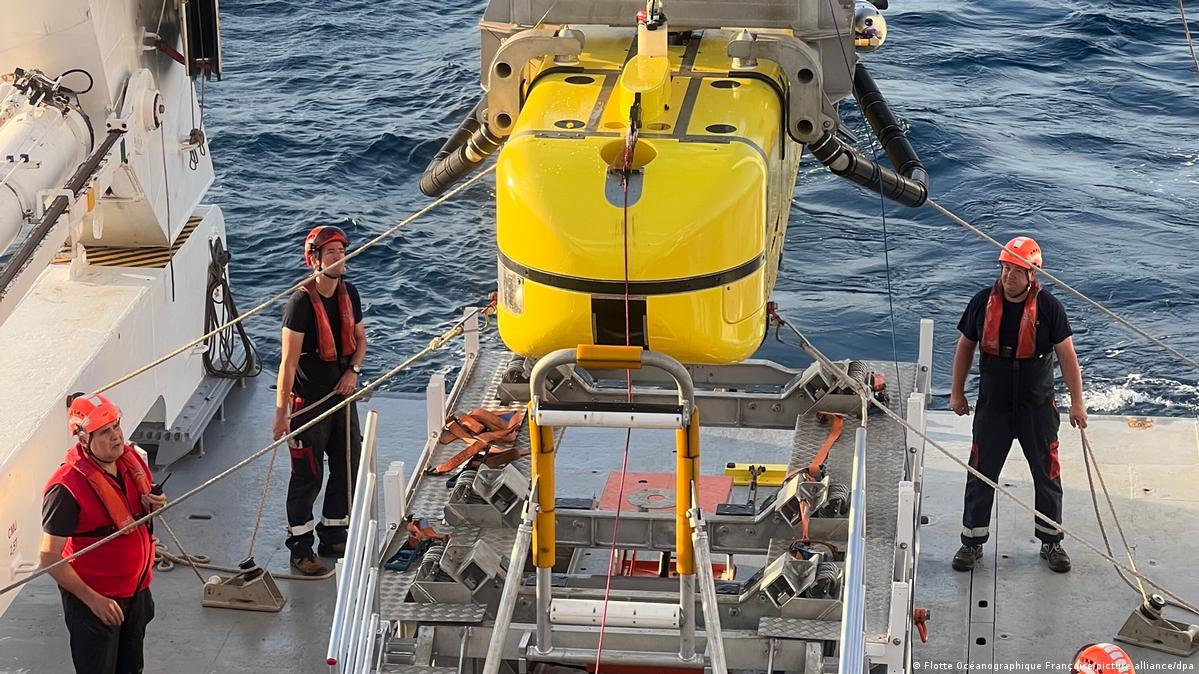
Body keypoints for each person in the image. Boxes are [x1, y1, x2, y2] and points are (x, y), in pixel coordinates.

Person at [948, 236, 1087, 573]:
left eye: (1015, 270)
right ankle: (972, 542)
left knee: (1047, 474)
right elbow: (965, 347)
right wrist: (957, 393)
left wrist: (1077, 403)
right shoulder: (982, 303)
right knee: (981, 473)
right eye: (1005, 268)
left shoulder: (1050, 309)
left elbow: (1068, 358)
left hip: (1036, 408)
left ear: (1031, 274)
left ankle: (1051, 541)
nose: (1008, 275)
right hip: (993, 407)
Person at [41, 393, 166, 674]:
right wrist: (93, 600)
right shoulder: (65, 489)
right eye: (105, 432)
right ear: (83, 439)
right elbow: (49, 556)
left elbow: (142, 514)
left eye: (116, 427)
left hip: (136, 593)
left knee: (132, 668)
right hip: (96, 603)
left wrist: (158, 503)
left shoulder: (130, 462)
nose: (116, 437)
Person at [272, 225, 367, 576]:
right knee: (307, 476)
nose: (339, 258)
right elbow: (288, 363)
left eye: (341, 252)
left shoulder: (350, 292)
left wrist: (352, 371)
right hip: (308, 406)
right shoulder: (300, 304)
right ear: (314, 260)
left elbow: (360, 339)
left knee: (347, 465)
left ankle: (332, 534)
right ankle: (301, 549)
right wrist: (281, 414)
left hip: (342, 400)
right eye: (331, 254)